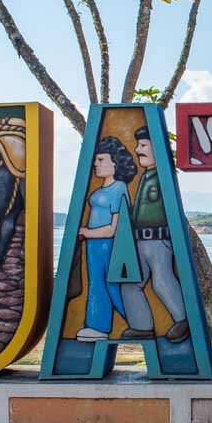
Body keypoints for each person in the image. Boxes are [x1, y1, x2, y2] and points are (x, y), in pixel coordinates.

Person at [119, 126, 190, 343]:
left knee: (162, 280)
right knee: (131, 283)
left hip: (159, 240)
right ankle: (141, 326)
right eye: (138, 145)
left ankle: (182, 320)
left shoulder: (162, 178)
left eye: (143, 145)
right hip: (140, 241)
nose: (137, 150)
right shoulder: (146, 177)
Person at [76, 136, 137, 341]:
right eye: (96, 159)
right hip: (94, 246)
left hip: (109, 245)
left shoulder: (119, 188)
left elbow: (114, 228)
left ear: (115, 162)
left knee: (112, 285)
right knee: (96, 284)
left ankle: (137, 321)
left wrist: (87, 232)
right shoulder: (102, 188)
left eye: (101, 159)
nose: (96, 164)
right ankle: (97, 326)